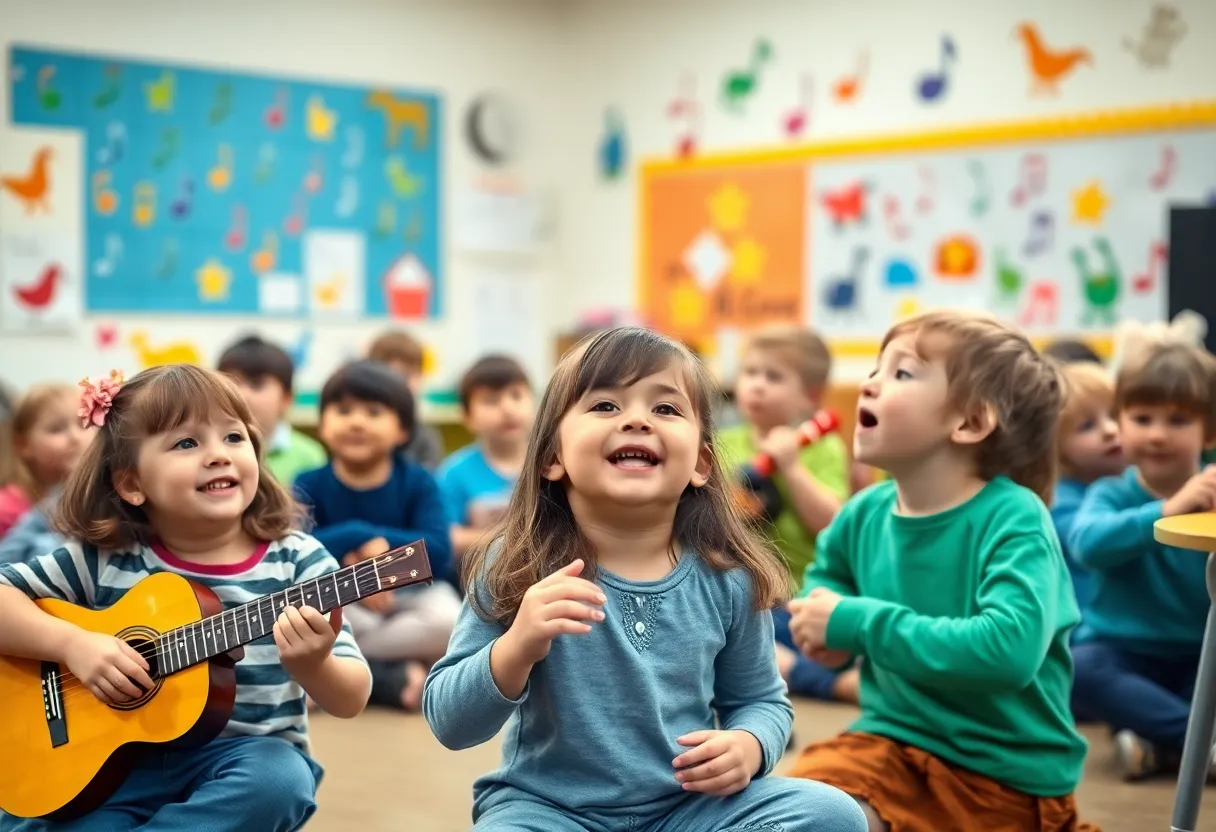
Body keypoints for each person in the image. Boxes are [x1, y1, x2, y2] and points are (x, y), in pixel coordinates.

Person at [423, 327, 867, 832]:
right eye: (606, 406)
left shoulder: (729, 574)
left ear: (701, 461)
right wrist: (518, 644)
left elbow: (761, 701)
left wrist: (750, 745)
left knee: (831, 814)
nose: (636, 419)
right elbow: (450, 722)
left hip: (687, 811)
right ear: (553, 457)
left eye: (666, 409)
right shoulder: (515, 561)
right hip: (550, 811)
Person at [0, 365, 370, 831]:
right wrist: (73, 645)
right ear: (131, 483)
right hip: (113, 772)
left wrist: (314, 665)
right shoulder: (104, 558)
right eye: (187, 443)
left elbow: (351, 698)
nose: (218, 455)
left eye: (234, 438)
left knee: (279, 782)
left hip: (240, 761)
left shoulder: (300, 563)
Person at [786, 310, 1096, 832]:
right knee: (798, 811)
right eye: (876, 369)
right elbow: (831, 576)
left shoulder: (1014, 518)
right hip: (888, 744)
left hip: (1003, 778)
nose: (870, 384)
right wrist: (822, 623)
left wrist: (857, 623)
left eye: (901, 373)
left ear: (971, 422)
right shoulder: (864, 513)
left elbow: (1007, 651)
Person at [1068, 341, 1216, 781]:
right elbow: (1087, 544)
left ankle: (1154, 738)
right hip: (1123, 653)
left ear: (1208, 431)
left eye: (1178, 420)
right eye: (1142, 418)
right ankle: (1197, 742)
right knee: (1079, 668)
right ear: (1121, 422)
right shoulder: (1111, 492)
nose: (1156, 434)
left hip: (1201, 653)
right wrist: (1166, 511)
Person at [295, 360, 459, 712]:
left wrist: (378, 561)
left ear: (402, 430)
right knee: (309, 621)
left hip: (411, 599)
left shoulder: (418, 481)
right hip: (344, 602)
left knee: (451, 621)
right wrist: (360, 536)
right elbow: (295, 550)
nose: (356, 421)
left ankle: (346, 670)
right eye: (343, 410)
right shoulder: (308, 483)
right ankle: (391, 670)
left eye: (373, 412)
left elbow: (440, 550)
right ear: (323, 424)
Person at [716, 325, 856, 703]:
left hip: (798, 596)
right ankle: (805, 674)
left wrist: (792, 468)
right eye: (750, 373)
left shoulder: (822, 447)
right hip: (746, 596)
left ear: (810, 398)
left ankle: (800, 670)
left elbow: (833, 525)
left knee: (825, 639)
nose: (757, 385)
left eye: (773, 376)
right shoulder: (724, 442)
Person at [437, 355, 534, 574]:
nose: (507, 408)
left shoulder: (552, 463)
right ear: (467, 416)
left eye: (516, 396)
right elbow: (445, 536)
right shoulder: (454, 473)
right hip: (479, 584)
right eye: (491, 400)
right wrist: (510, 540)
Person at [1050, 360, 1125, 624]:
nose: (1110, 430)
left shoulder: (1132, 482)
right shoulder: (1059, 501)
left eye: (1116, 415)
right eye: (1087, 426)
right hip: (1087, 636)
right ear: (1057, 448)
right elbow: (1090, 540)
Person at [217, 335, 327, 486]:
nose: (242, 394)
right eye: (232, 383)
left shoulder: (309, 456)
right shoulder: (210, 452)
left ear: (286, 399)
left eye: (257, 385)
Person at [0, 383, 91, 539]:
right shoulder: (6, 509)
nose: (75, 437)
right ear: (23, 444)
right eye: (56, 429)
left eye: (82, 424)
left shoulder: (95, 492)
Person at [366, 329, 445, 470]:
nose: (398, 385)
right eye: (389, 375)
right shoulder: (359, 430)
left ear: (420, 377)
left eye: (406, 375)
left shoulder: (426, 439)